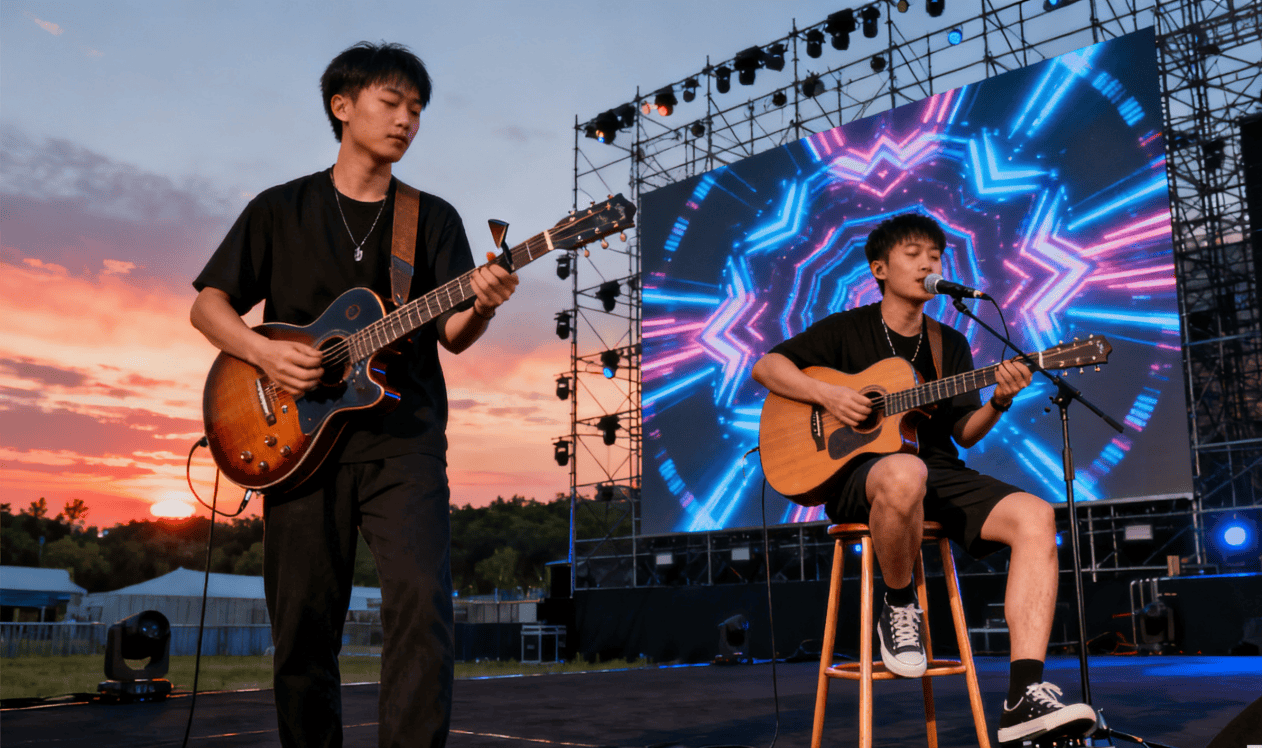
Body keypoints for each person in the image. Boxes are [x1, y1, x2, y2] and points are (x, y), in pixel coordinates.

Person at [190, 42, 518, 748]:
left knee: (423, 610)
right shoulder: (279, 208)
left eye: (417, 110)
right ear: (342, 106)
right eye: (392, 102)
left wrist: (484, 304)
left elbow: (454, 333)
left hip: (406, 442)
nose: (407, 120)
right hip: (296, 443)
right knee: (303, 628)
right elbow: (208, 306)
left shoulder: (431, 218)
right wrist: (265, 352)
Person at [750, 214, 1096, 744]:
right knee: (902, 470)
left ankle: (1023, 695)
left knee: (1035, 515)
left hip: (935, 470)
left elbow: (964, 432)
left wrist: (1000, 400)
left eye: (935, 255)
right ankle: (898, 602)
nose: (928, 263)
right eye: (913, 254)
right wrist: (829, 395)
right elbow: (767, 368)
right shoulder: (846, 329)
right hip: (858, 474)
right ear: (879, 269)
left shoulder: (947, 342)